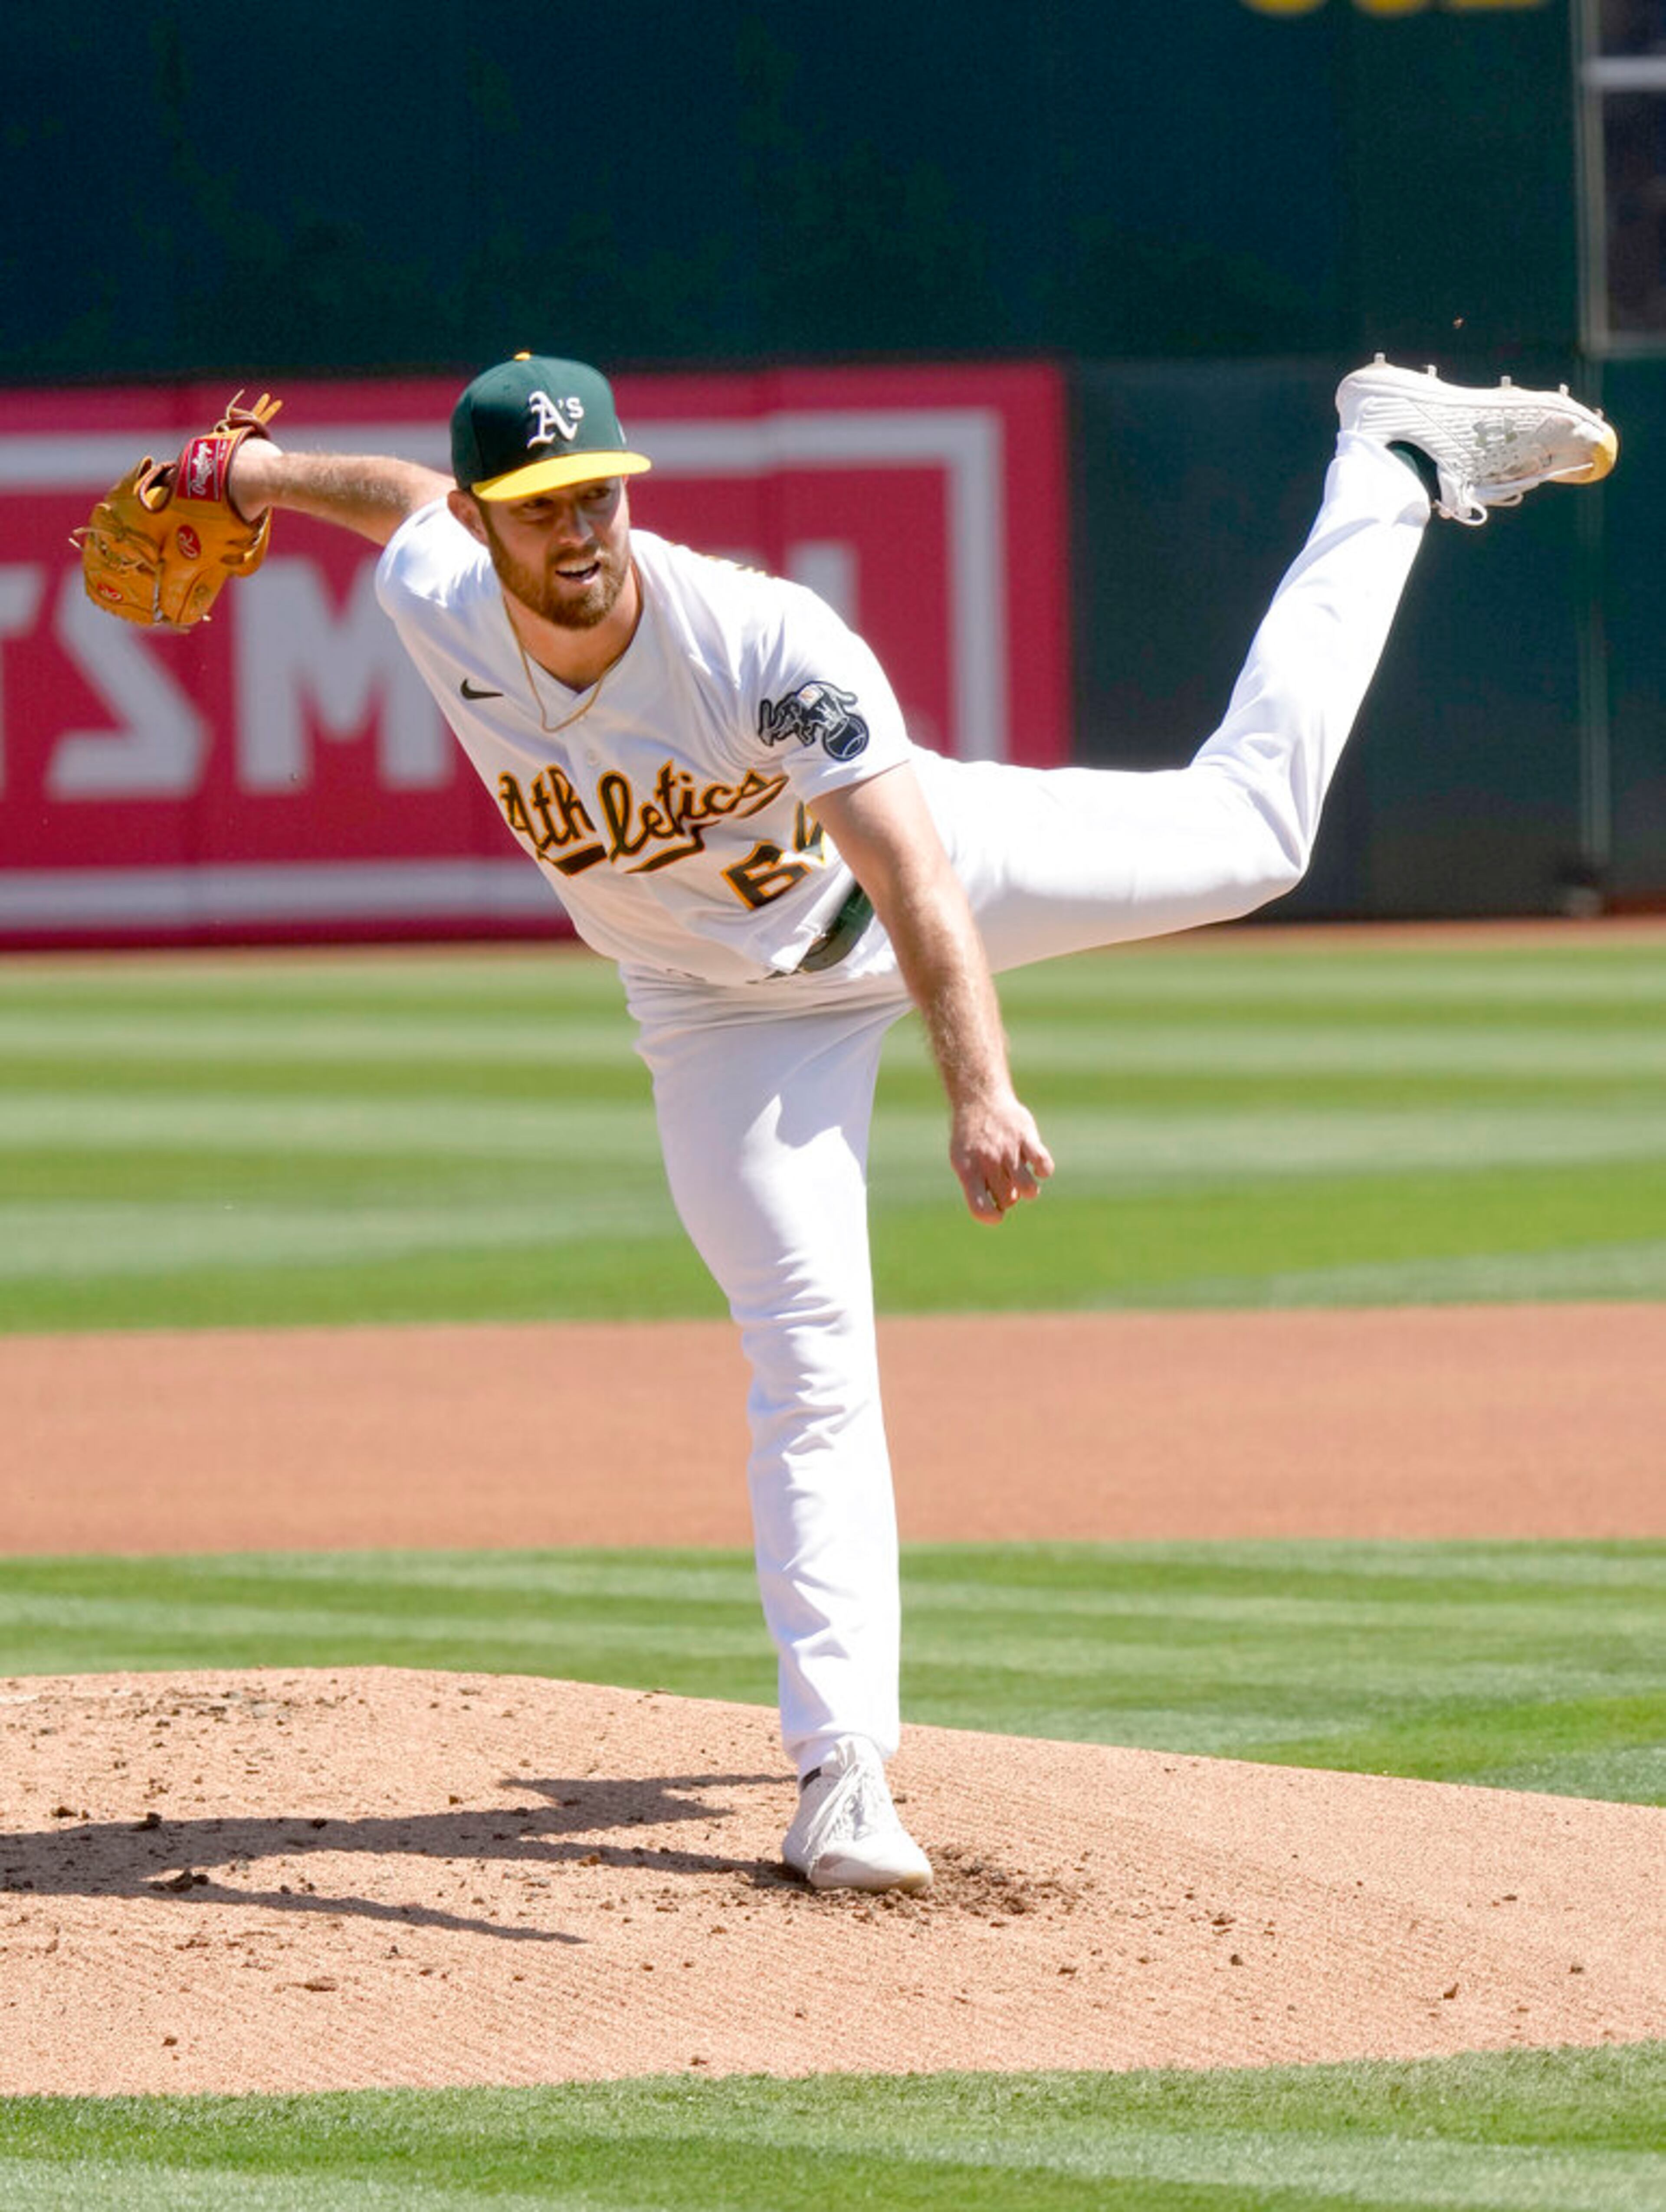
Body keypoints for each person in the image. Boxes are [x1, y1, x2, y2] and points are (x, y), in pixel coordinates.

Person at [225, 353, 1616, 1893]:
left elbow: (913, 879)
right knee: (806, 1348)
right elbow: (406, 504)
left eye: (600, 493)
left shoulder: (759, 638)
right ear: (496, 525)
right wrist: (262, 481)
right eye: (544, 506)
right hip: (716, 1015)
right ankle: (842, 1771)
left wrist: (981, 1083)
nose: (583, 530)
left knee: (1256, 837)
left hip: (919, 878)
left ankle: (1391, 459)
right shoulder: (441, 589)